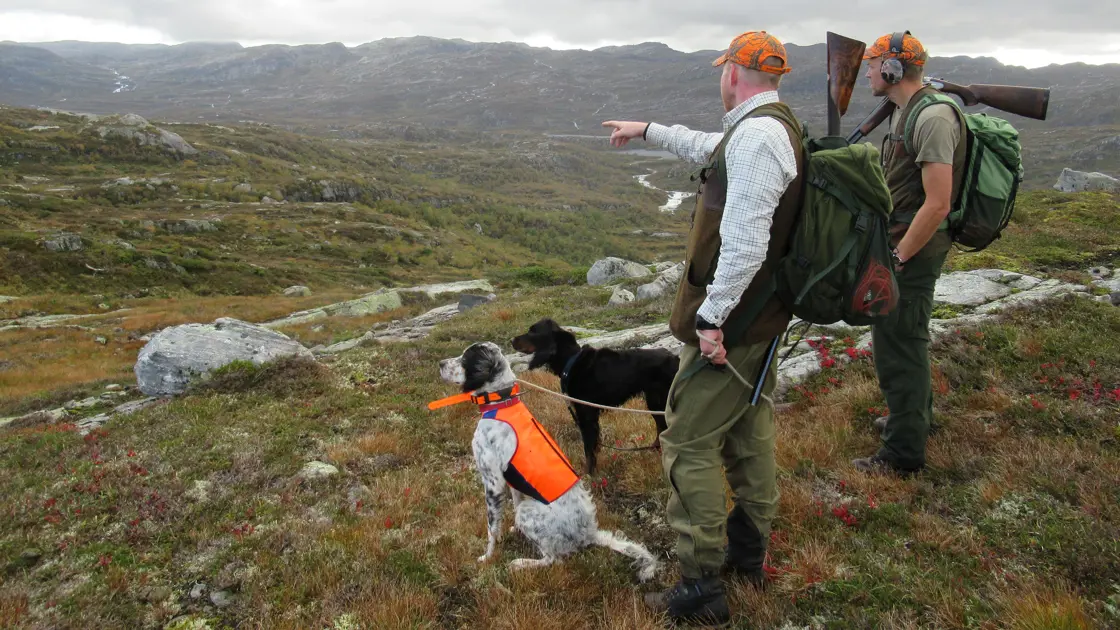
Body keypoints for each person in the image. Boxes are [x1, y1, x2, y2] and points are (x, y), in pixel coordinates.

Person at [602, 30, 804, 627]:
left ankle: (701, 584)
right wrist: (648, 130)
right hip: (758, 320)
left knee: (687, 442)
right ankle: (748, 554)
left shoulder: (760, 137)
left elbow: (744, 244)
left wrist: (711, 320)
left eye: (723, 69)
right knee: (747, 431)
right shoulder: (765, 126)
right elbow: (708, 147)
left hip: (733, 328)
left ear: (734, 73)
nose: (721, 77)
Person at [854, 31, 965, 475]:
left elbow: (937, 203)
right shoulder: (905, 110)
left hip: (914, 248)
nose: (867, 72)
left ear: (893, 68)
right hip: (903, 241)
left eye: (872, 63)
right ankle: (914, 420)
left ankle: (902, 454)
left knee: (900, 343)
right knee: (902, 337)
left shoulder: (932, 117)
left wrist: (898, 258)